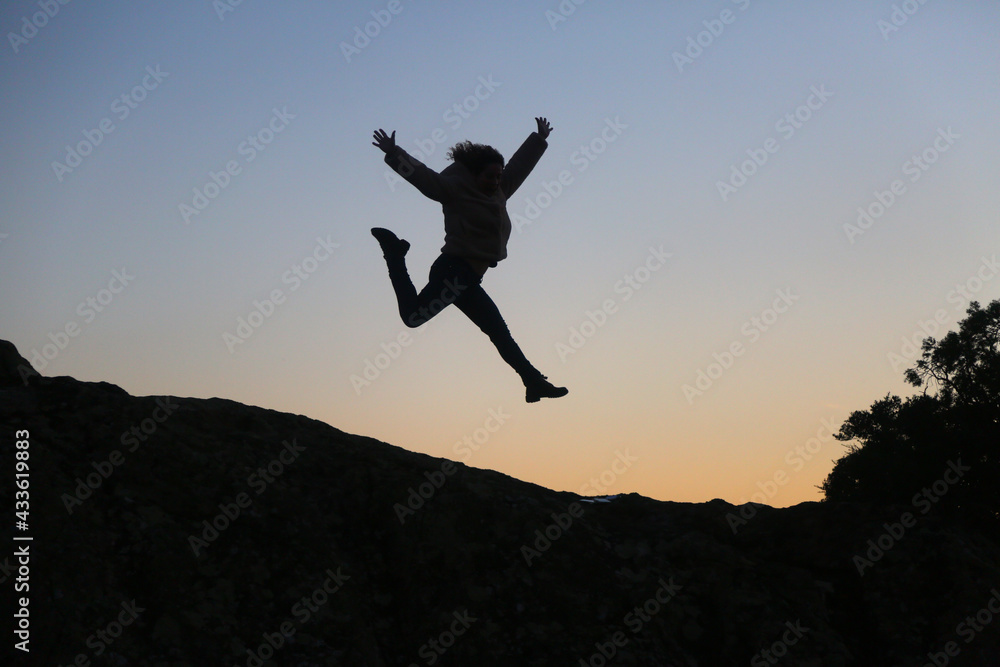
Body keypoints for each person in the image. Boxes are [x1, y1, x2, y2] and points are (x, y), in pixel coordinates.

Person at [370, 117, 568, 403]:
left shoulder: (499, 190)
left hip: (469, 278)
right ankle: (394, 254)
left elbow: (519, 168)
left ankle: (533, 382)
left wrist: (539, 139)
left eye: (498, 176)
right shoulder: (453, 190)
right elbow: (423, 176)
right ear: (474, 175)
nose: (496, 181)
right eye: (490, 176)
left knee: (499, 332)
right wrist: (394, 152)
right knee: (415, 317)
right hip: (454, 272)